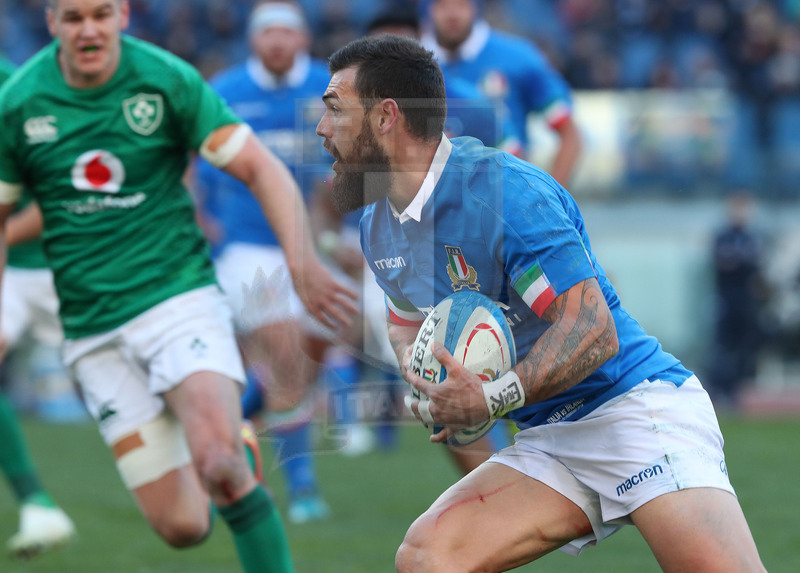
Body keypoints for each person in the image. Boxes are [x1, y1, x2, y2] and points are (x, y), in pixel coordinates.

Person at [315, 35, 765, 572]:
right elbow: (406, 323)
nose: (322, 131)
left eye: (335, 110)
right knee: (427, 556)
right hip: (550, 437)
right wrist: (429, 383)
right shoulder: (377, 226)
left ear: (386, 116)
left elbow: (594, 330)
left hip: (634, 411)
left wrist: (493, 396)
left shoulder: (504, 194)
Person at [0, 2, 356, 572]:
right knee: (183, 527)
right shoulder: (18, 102)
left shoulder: (166, 81)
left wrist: (302, 262)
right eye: (72, 17)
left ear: (121, 15)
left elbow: (262, 167)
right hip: (93, 330)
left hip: (178, 301)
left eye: (99, 13)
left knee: (219, 465)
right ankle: (231, 443)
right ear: (51, 22)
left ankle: (226, 447)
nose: (87, 28)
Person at [194, 0, 339, 524]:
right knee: (283, 353)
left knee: (309, 356)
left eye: (286, 33)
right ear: (254, 40)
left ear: (302, 38)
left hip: (319, 245)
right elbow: (189, 159)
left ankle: (226, 428)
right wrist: (199, 213)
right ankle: (302, 489)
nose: (277, 42)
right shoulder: (227, 90)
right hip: (248, 247)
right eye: (267, 33)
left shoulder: (331, 89)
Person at [0, 56, 76, 560]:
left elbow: (61, 193)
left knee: (158, 385)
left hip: (61, 265)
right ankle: (37, 502)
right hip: (9, 274)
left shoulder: (17, 87)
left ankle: (229, 440)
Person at [421, 0, 582, 186]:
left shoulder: (518, 57)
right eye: (442, 5)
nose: (452, 14)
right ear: (427, 9)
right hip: (431, 205)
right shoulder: (408, 65)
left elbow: (570, 135)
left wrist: (547, 202)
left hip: (503, 196)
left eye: (461, 4)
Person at [707, 191, 767, 409]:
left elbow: (752, 265)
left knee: (745, 346)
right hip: (726, 298)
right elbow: (725, 263)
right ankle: (719, 389)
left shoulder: (752, 237)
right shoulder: (723, 236)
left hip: (745, 300)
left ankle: (737, 390)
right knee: (723, 346)